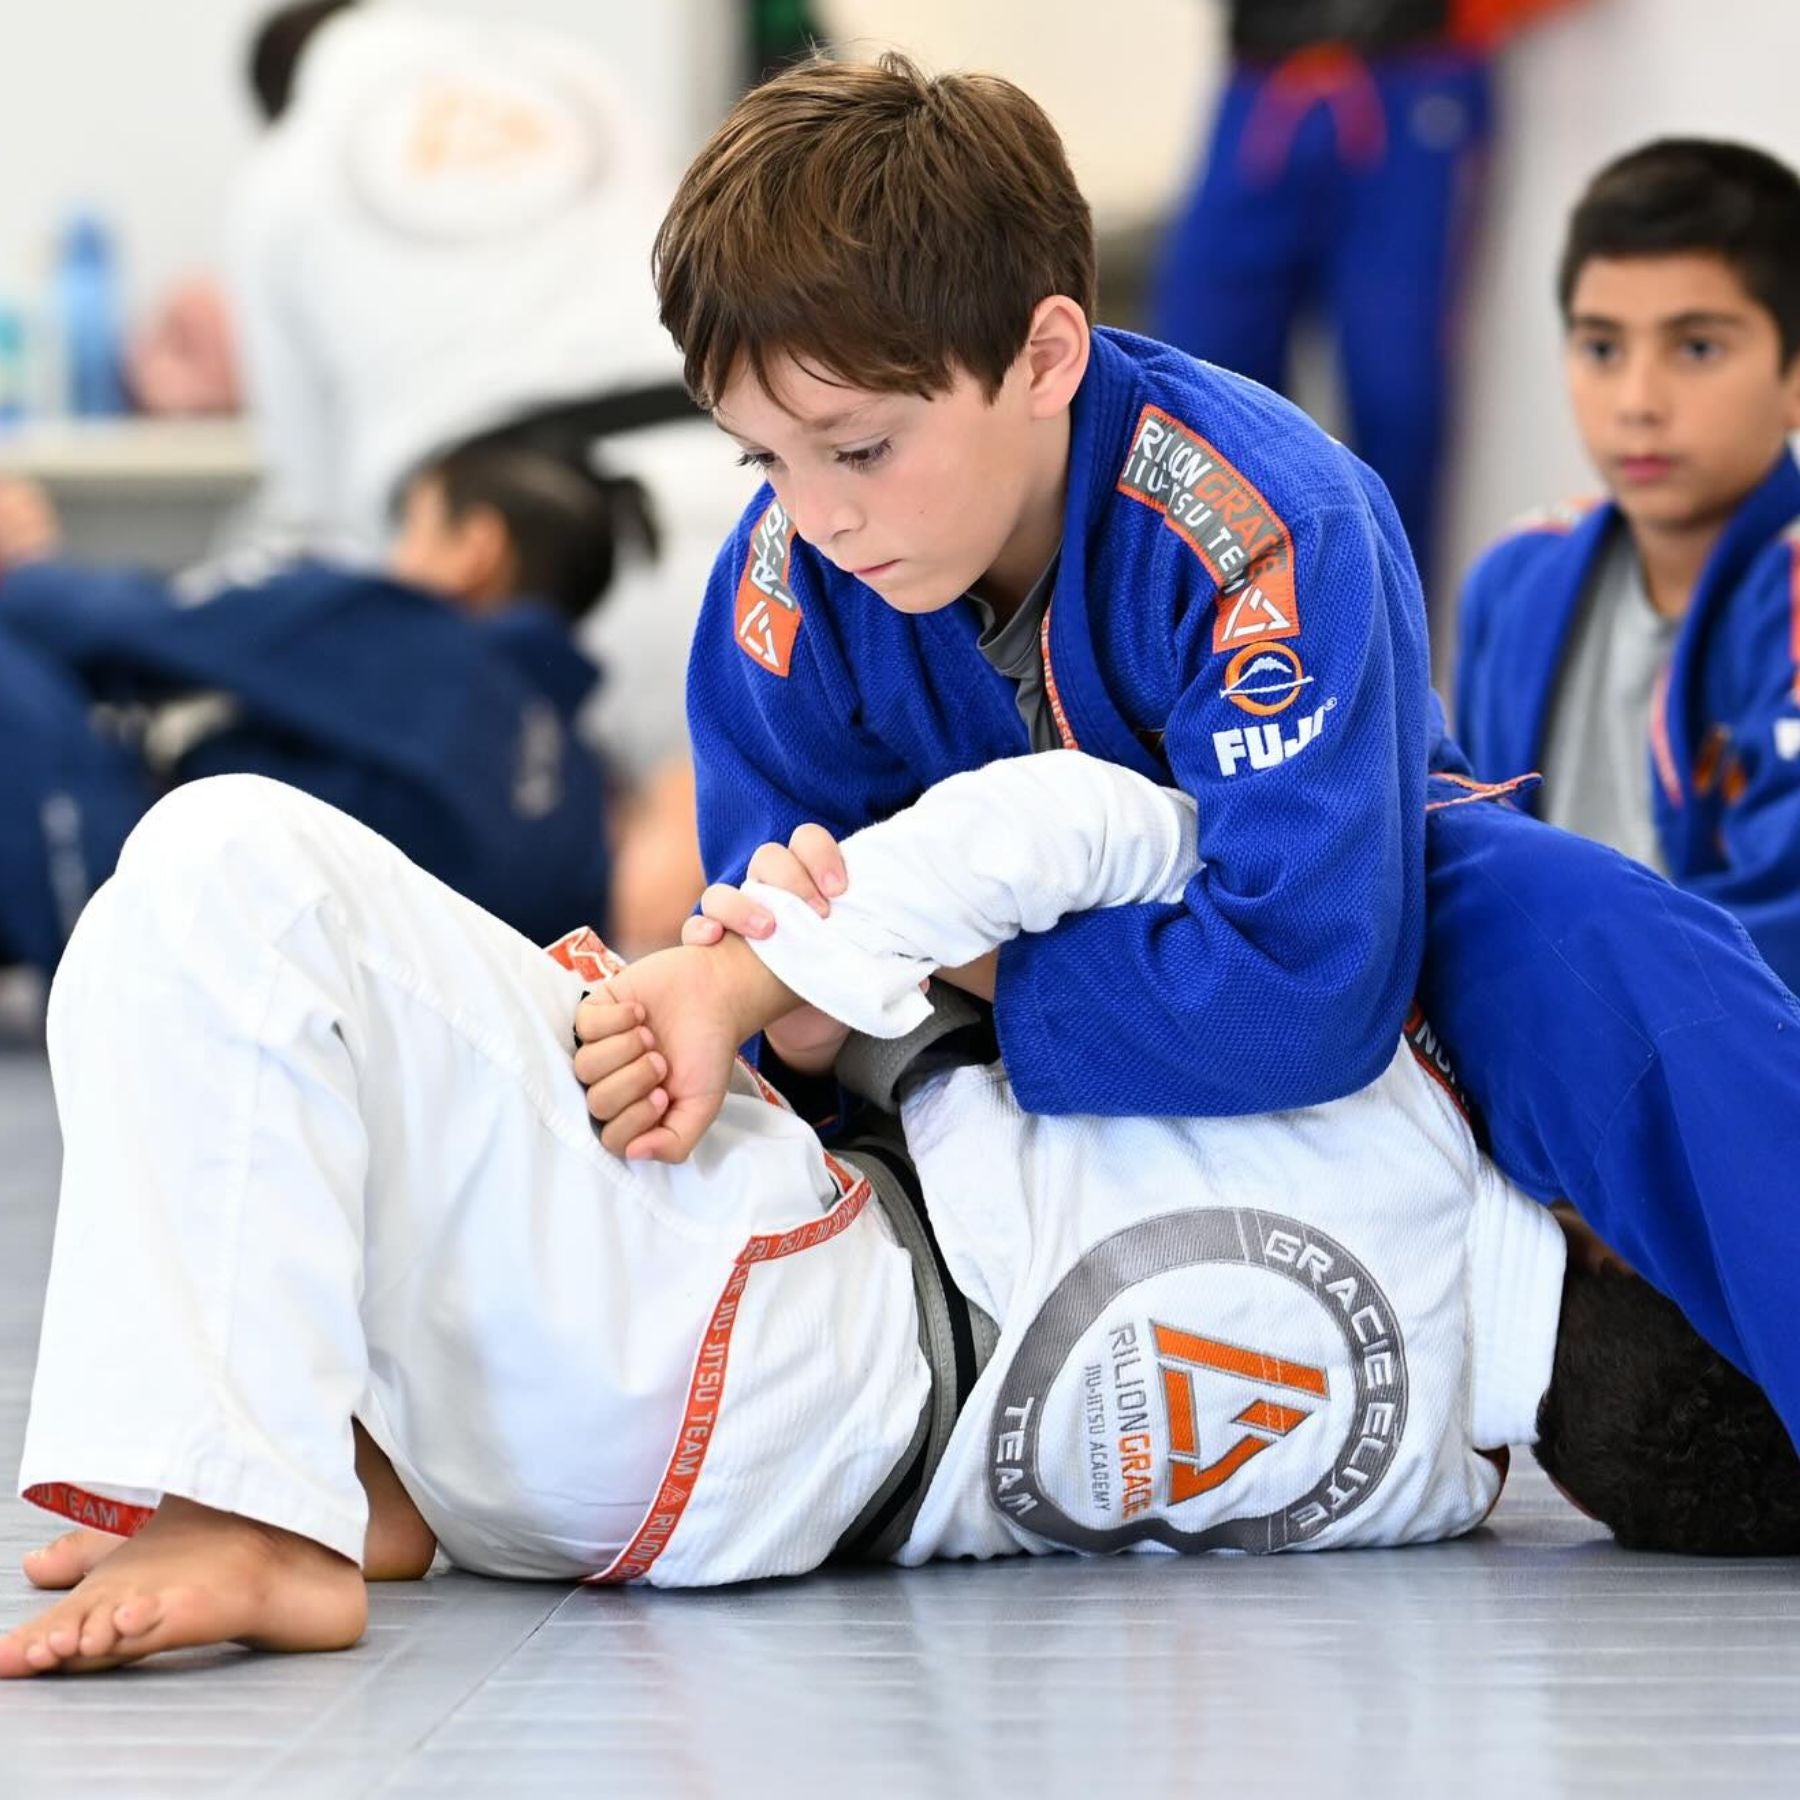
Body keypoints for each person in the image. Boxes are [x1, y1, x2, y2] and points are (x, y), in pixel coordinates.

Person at [10, 751, 1796, 1680]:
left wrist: (784, 962)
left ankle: (250, 1509)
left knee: (233, 872)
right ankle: (384, 1466)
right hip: (695, 1496)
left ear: (1628, 1240)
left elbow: (1086, 821)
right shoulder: (1439, 1484)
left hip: (762, 1313)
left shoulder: (1399, 1095)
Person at [658, 51, 1437, 1123]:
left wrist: (923, 943)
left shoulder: (1271, 531)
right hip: (983, 1124)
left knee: (1566, 926)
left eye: (862, 449)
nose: (817, 517)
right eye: (764, 458)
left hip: (1386, 1035)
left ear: (1044, 359)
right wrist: (795, 1028)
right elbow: (783, 1001)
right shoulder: (783, 585)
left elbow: (1302, 1002)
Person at [229, 1, 751, 788]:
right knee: (772, 832)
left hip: (520, 559)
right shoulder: (576, 78)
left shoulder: (282, 172)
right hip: (731, 488)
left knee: (585, 850)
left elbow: (312, 492)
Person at [0, 433, 649, 964]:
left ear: (475, 551)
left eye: (412, 528)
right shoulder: (581, 797)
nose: (392, 559)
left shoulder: (413, 633)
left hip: (150, 929)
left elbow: (129, 627)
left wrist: (20, 565)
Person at [1454, 140, 1800, 991]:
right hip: (1530, 1036)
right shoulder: (1516, 576)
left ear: (1794, 375)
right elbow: (1470, 859)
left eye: (1697, 349)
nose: (1639, 402)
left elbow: (1780, 943)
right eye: (1602, 349)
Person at [1150, 0, 1579, 592]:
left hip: (1414, 78)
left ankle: (1382, 638)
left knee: (1396, 397)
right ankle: (1225, 625)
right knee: (1200, 385)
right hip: (1263, 75)